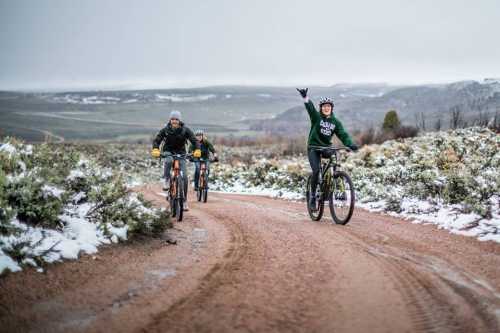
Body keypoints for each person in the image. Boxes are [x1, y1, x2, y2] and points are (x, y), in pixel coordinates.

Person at [296, 88, 359, 210]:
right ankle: (313, 197)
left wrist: (350, 144)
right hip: (313, 148)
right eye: (324, 106)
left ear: (331, 108)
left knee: (335, 161)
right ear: (321, 108)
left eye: (328, 106)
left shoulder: (335, 122)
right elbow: (310, 109)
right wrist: (305, 97)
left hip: (326, 148)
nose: (326, 108)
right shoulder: (316, 118)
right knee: (315, 172)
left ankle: (337, 188)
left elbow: (343, 134)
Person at [151, 110, 201, 211]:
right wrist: (155, 149)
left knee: (185, 177)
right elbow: (157, 140)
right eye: (173, 119)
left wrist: (197, 149)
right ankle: (166, 179)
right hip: (168, 152)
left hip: (181, 153)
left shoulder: (185, 130)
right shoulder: (165, 129)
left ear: (179, 120)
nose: (174, 121)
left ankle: (184, 201)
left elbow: (194, 140)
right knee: (168, 161)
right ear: (170, 120)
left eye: (176, 119)